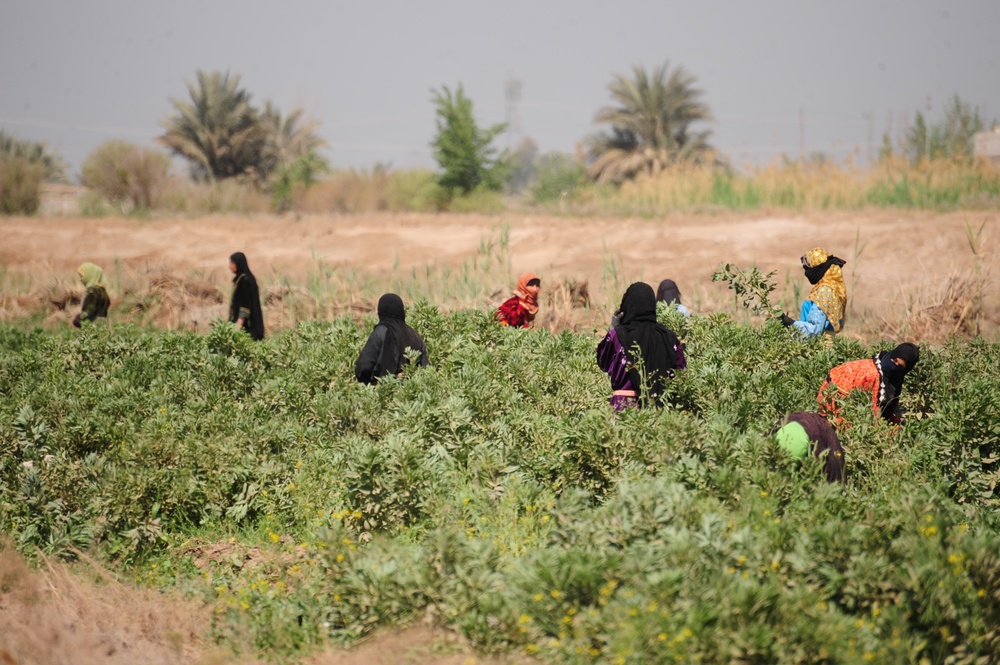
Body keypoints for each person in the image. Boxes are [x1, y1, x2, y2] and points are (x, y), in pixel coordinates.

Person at [597, 282, 686, 410]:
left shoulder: (617, 336)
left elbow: (603, 363)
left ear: (626, 306)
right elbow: (680, 371)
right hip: (660, 408)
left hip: (624, 408)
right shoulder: (668, 337)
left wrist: (612, 328)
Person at [817, 342, 920, 425]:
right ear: (893, 354)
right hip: (834, 399)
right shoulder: (874, 375)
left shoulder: (892, 376)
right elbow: (873, 410)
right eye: (894, 360)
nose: (894, 366)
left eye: (900, 366)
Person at [355, 293, 429, 384]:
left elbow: (364, 366)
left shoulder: (381, 331)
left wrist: (369, 382)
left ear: (381, 311)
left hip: (384, 391)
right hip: (411, 392)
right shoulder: (415, 335)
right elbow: (426, 367)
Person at [778, 247, 847, 338]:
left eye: (809, 268)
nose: (806, 272)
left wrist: (789, 322)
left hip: (818, 349)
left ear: (819, 268)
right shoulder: (833, 288)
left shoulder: (825, 292)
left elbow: (814, 331)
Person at [769, 412, 846, 483]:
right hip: (806, 435)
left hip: (792, 432)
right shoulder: (823, 433)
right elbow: (836, 479)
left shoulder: (781, 426)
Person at [228, 252, 264, 341]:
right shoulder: (243, 278)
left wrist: (238, 325)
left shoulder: (245, 280)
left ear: (238, 264)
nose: (230, 266)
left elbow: (245, 305)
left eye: (232, 263)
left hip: (246, 325)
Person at [72, 262, 110, 328]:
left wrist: (78, 319)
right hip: (102, 324)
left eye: (82, 276)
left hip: (93, 325)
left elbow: (89, 309)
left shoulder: (92, 292)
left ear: (89, 276)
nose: (81, 280)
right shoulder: (102, 290)